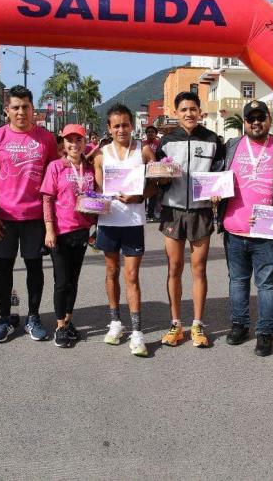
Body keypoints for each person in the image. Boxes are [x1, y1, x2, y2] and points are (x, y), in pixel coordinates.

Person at [218, 100, 273, 357]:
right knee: (238, 281)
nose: (256, 122)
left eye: (261, 117)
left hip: (267, 233)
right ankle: (239, 325)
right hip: (234, 230)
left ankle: (265, 333)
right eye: (250, 118)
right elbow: (216, 178)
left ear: (269, 119)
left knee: (267, 284)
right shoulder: (231, 146)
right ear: (244, 122)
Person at [0, 85, 58, 343]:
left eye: (25, 106)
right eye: (15, 107)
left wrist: (52, 220)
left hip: (34, 217)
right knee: (3, 269)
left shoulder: (46, 139)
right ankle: (5, 318)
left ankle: (33, 317)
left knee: (35, 269)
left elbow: (53, 178)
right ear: (7, 110)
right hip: (3, 217)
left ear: (32, 109)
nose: (21, 111)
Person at [156, 91, 225, 348]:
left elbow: (220, 173)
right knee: (174, 267)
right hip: (172, 210)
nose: (188, 114)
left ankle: (197, 324)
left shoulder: (212, 140)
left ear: (200, 111)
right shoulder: (166, 141)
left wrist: (219, 192)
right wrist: (161, 179)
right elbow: (157, 178)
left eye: (193, 109)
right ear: (176, 113)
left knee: (199, 269)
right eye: (183, 110)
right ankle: (176, 324)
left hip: (201, 211)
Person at [93, 104, 155, 357]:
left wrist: (138, 196)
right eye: (116, 125)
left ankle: (137, 331)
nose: (121, 129)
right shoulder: (100, 155)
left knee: (131, 275)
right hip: (108, 222)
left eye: (125, 124)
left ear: (132, 125)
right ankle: (115, 322)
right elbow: (96, 191)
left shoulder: (144, 151)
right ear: (109, 128)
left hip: (132, 222)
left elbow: (157, 185)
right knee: (111, 271)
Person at [41, 124, 96, 348]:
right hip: (61, 231)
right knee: (61, 281)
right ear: (63, 143)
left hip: (82, 231)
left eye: (78, 140)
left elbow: (96, 198)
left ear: (85, 143)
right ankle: (60, 326)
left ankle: (69, 320)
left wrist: (94, 224)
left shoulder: (90, 168)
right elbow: (46, 199)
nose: (74, 144)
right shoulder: (56, 167)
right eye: (69, 140)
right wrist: (49, 229)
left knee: (73, 281)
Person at [143, 125, 162, 222]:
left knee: (153, 193)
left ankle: (151, 214)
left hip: (156, 171)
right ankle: (143, 212)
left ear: (156, 133)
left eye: (152, 132)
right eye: (148, 132)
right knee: (142, 192)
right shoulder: (142, 144)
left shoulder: (159, 144)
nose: (150, 133)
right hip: (143, 171)